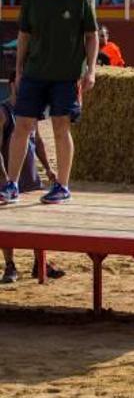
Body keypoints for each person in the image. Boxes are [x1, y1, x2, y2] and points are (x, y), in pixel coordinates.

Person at [0, 0, 97, 206]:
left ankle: (62, 186)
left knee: (60, 127)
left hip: (66, 76)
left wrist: (91, 70)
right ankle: (11, 184)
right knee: (22, 125)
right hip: (34, 73)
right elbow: (23, 35)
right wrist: (19, 70)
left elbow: (91, 36)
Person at [1, 73, 66, 282]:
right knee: (6, 223)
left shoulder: (31, 112)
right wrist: (4, 177)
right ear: (13, 84)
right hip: (8, 179)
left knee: (35, 221)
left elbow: (37, 141)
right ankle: (10, 266)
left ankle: (40, 263)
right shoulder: (3, 112)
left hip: (30, 177)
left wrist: (48, 168)